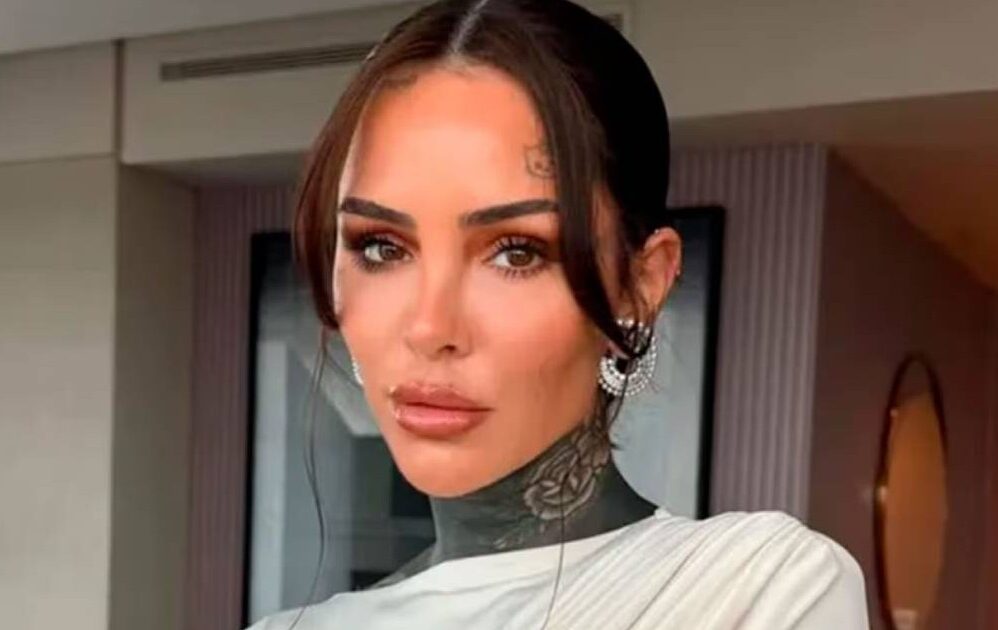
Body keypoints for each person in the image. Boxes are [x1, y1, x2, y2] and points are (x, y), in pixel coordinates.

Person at [250, 0, 870, 627]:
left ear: (640, 285)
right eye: (382, 247)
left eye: (516, 253)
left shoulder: (758, 588)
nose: (430, 328)